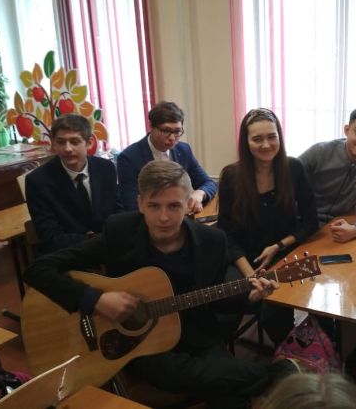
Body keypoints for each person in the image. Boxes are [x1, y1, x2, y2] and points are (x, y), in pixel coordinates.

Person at [23, 161, 297, 408]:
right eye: (154, 206)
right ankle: (280, 375)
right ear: (140, 203)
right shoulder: (120, 232)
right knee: (175, 372)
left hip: (198, 336)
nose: (163, 217)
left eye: (174, 206)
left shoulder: (212, 241)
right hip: (139, 345)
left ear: (189, 204)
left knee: (230, 398)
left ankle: (276, 377)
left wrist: (249, 298)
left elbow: (215, 299)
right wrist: (95, 299)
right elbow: (39, 269)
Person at [217, 108, 318, 344]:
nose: (266, 145)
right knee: (230, 303)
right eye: (257, 139)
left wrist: (278, 246)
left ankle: (291, 356)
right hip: (242, 258)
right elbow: (226, 234)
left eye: (272, 137)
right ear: (246, 142)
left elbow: (310, 221)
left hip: (282, 254)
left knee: (273, 310)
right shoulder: (231, 175)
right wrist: (251, 275)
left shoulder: (294, 168)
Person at [26, 114, 118, 255]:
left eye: (74, 142)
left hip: (111, 248)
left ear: (89, 143)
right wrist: (94, 241)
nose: (67, 149)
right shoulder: (37, 181)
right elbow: (50, 236)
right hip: (68, 254)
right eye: (61, 142)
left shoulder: (106, 168)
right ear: (53, 143)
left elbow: (118, 212)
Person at [299, 105, 356, 243]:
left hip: (340, 225)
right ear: (347, 130)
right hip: (304, 223)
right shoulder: (320, 151)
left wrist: (355, 229)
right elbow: (284, 182)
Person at [117, 101, 216, 213]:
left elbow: (208, 183)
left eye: (177, 131)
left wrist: (200, 193)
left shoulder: (183, 150)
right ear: (151, 127)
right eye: (166, 131)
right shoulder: (129, 158)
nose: (172, 138)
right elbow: (132, 205)